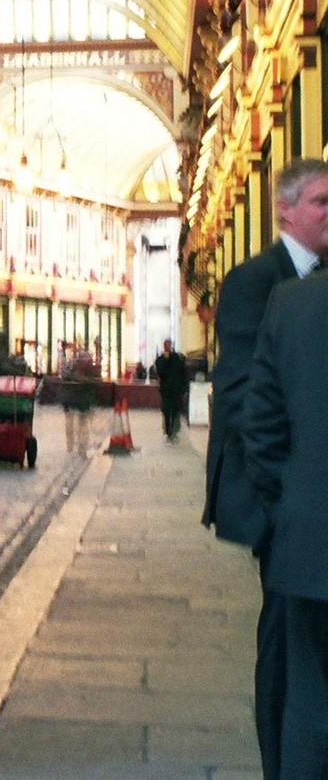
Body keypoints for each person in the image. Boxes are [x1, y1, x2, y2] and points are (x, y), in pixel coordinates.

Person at [204, 156, 328, 780]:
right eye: (321, 203)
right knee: (285, 648)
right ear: (285, 208)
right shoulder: (256, 281)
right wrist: (281, 503)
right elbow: (243, 399)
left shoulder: (313, 285)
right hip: (275, 502)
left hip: (301, 502)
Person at [239, 267, 328, 779]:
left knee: (310, 708)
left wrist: (292, 507)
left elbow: (261, 428)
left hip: (311, 552)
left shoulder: (291, 304)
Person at [58, 349, 101, 456]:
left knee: (76, 423)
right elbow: (96, 383)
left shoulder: (73, 368)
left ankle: (75, 445)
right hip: (77, 400)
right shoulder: (79, 369)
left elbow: (94, 382)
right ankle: (77, 446)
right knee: (78, 423)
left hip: (76, 400)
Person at [151, 339, 190, 440]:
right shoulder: (161, 359)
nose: (168, 347)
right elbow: (160, 372)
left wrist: (184, 387)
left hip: (175, 390)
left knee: (175, 409)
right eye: (166, 345)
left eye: (169, 345)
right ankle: (168, 429)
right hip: (167, 390)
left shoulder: (177, 358)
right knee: (167, 410)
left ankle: (172, 428)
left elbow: (183, 373)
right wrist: (165, 360)